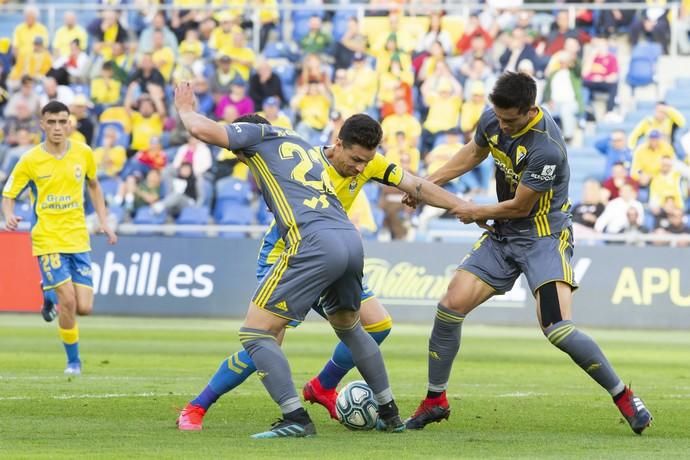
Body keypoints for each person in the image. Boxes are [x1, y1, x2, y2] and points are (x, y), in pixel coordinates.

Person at [176, 113, 469, 431]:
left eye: (365, 162)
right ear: (338, 145)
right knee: (265, 338)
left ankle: (323, 386)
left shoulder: (369, 162)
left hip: (331, 250)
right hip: (289, 252)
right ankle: (197, 406)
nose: (360, 168)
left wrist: (463, 206)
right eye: (356, 159)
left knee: (377, 324)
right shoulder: (306, 160)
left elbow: (417, 184)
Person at [402, 72, 653, 435]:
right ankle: (435, 400)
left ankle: (623, 395)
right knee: (449, 306)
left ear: (530, 110)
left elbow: (521, 206)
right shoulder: (494, 116)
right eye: (498, 117)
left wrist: (475, 211)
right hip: (504, 236)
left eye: (509, 120)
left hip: (543, 238)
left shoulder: (546, 147)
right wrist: (430, 183)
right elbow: (474, 151)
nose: (501, 126)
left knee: (557, 329)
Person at [1, 101, 117, 375]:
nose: (57, 127)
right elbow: (9, 194)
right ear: (42, 124)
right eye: (51, 122)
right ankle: (73, 362)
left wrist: (104, 221)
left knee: (85, 308)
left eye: (62, 121)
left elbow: (94, 185)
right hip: (47, 238)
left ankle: (48, 294)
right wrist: (9, 214)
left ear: (70, 124)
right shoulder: (30, 159)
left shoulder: (83, 153)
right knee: (69, 302)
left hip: (77, 237)